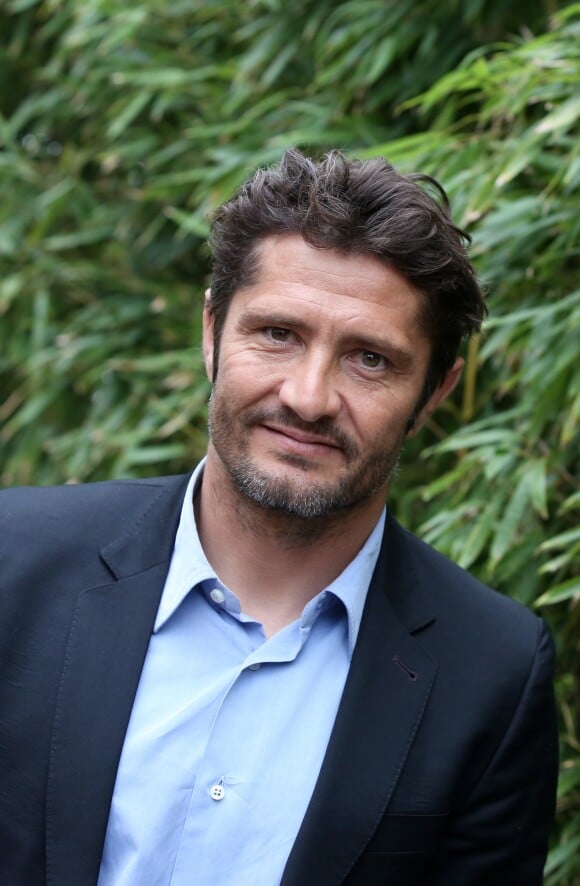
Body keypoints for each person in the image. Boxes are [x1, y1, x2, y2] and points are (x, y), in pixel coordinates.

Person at [0, 149, 558, 886]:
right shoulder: (13, 565)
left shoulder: (493, 674)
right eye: (277, 334)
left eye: (369, 359)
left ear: (435, 391)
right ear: (211, 332)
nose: (308, 396)